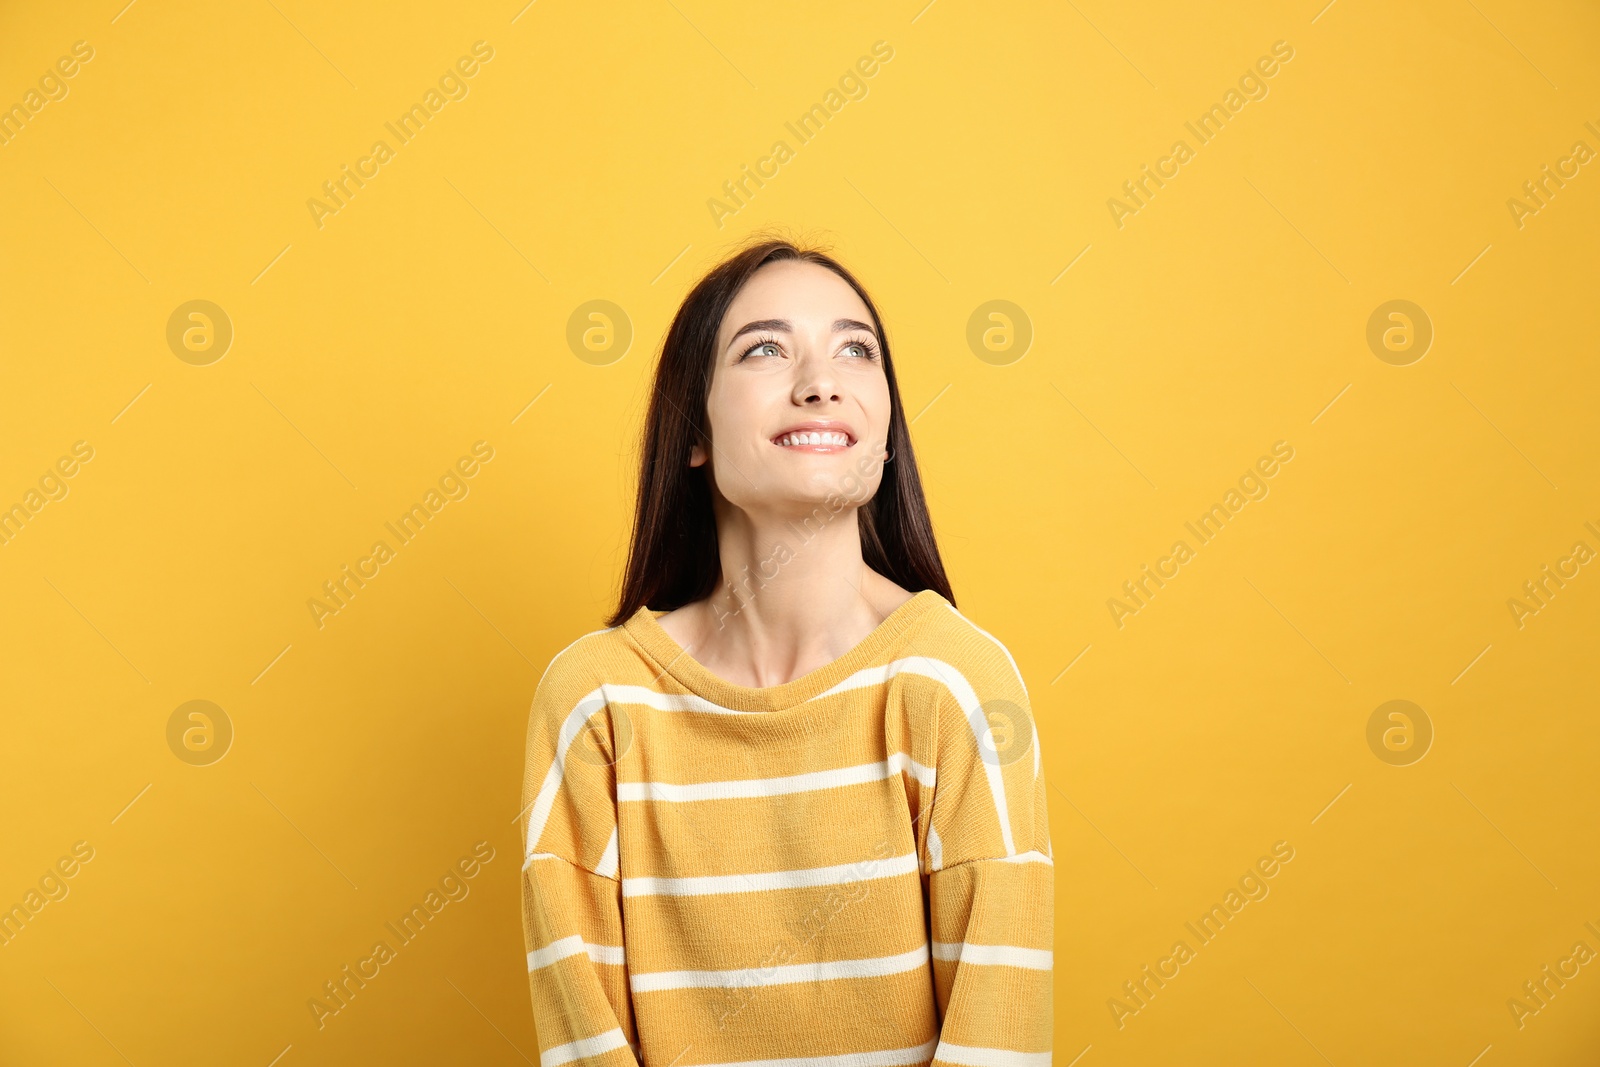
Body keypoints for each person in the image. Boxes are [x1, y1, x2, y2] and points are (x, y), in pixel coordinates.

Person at [519, 234, 1053, 1066]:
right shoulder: (594, 699)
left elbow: (1000, 1031)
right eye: (765, 348)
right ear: (691, 430)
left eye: (856, 349)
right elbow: (582, 1031)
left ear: (884, 429)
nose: (821, 382)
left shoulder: (955, 682)